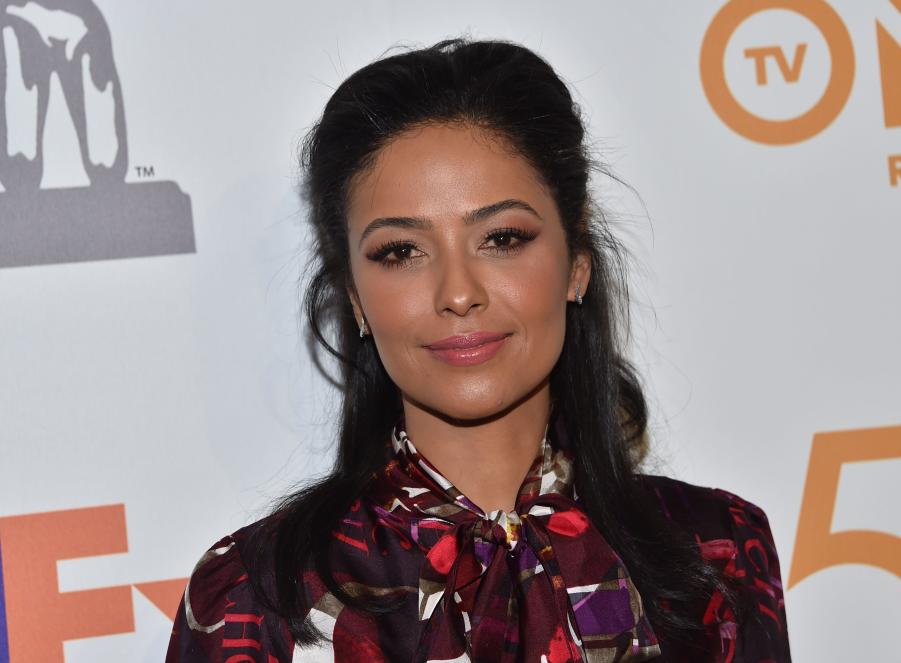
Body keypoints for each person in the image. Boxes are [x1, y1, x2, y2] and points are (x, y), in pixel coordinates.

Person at [165, 38, 791, 662]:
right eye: (401, 252)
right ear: (355, 296)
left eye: (502, 237)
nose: (458, 293)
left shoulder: (719, 553)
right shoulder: (256, 597)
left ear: (576, 264)